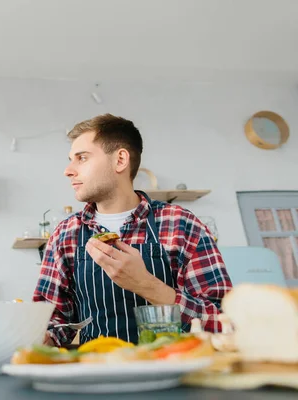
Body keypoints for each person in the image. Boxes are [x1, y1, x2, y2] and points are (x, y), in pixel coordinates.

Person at [33, 114, 233, 346]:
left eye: (82, 158)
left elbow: (224, 322)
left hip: (172, 371)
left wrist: (146, 285)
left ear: (120, 160)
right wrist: (37, 335)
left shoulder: (181, 224)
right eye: (70, 159)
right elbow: (52, 322)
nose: (68, 170)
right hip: (98, 372)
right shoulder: (66, 234)